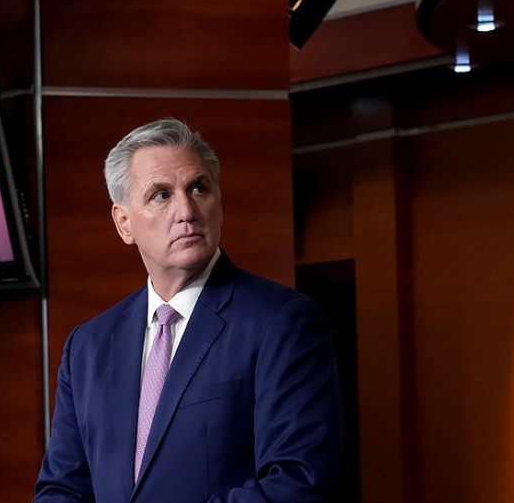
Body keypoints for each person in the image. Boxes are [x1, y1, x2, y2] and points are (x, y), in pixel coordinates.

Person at [33, 118, 343, 502]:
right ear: (124, 223)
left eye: (198, 188)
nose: (186, 210)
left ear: (218, 200)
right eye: (160, 195)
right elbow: (61, 489)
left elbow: (298, 481)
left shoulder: (282, 322)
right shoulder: (89, 346)